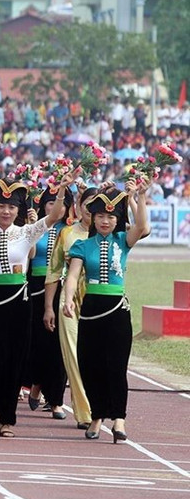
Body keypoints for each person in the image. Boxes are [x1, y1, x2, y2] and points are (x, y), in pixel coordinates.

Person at [0, 172, 73, 438]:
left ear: (19, 210)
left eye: (12, 207)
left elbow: (55, 216)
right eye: (2, 206)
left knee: (14, 362)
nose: (6, 211)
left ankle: (7, 419)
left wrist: (60, 190)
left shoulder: (27, 233)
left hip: (18, 305)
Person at [63, 181, 150, 442]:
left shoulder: (123, 241)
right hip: (90, 310)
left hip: (117, 311)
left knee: (116, 366)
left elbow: (142, 227)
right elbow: (73, 275)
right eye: (100, 215)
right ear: (92, 217)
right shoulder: (81, 246)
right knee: (91, 366)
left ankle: (119, 419)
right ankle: (97, 416)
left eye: (111, 216)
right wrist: (68, 299)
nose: (105, 221)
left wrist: (140, 197)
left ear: (116, 219)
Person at [43, 186, 99, 430]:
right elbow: (53, 272)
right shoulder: (66, 234)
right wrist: (49, 308)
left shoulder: (110, 234)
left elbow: (143, 231)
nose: (90, 210)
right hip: (69, 303)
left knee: (95, 356)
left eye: (96, 205)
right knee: (73, 357)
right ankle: (84, 412)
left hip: (99, 303)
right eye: (87, 204)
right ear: (78, 204)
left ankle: (99, 404)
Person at [27, 183, 75, 421]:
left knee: (59, 347)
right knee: (38, 344)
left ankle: (56, 400)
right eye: (51, 202)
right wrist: (32, 229)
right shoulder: (35, 227)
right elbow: (27, 256)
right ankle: (36, 383)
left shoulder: (71, 231)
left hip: (63, 290)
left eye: (63, 203)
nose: (58, 207)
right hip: (36, 290)